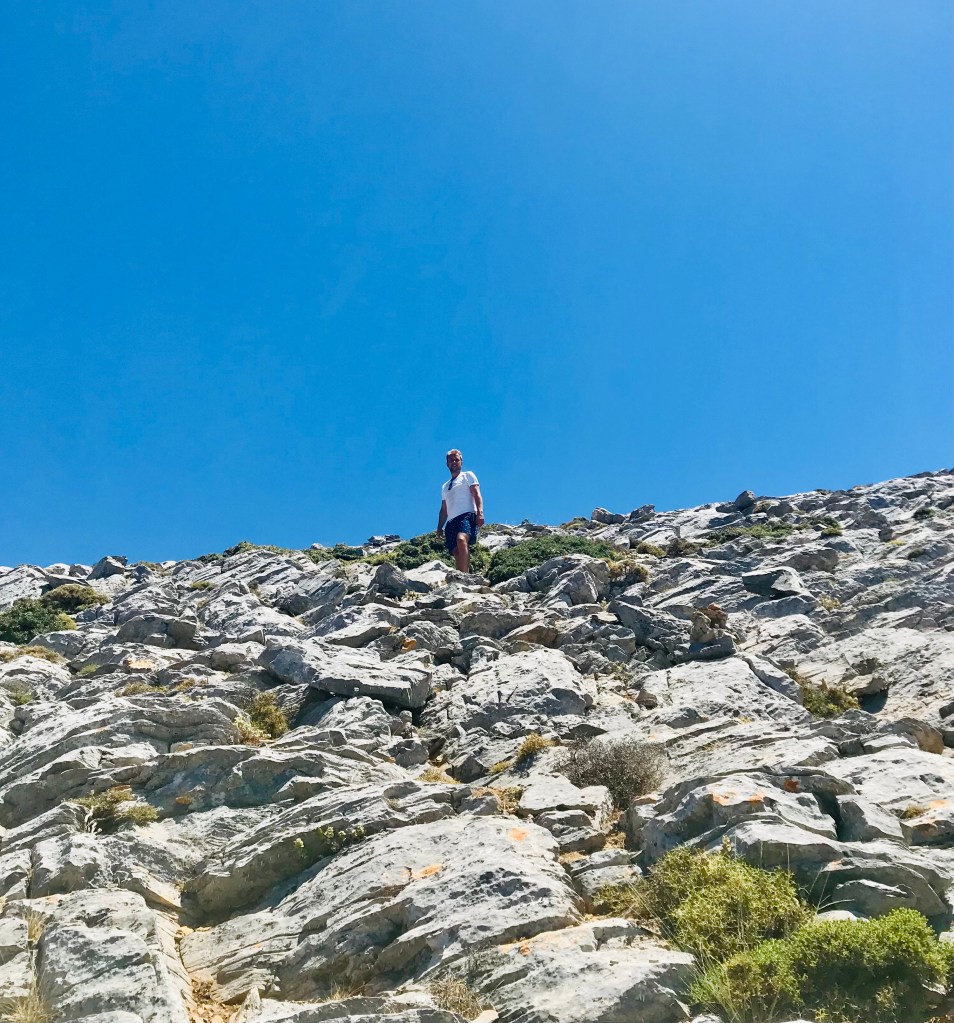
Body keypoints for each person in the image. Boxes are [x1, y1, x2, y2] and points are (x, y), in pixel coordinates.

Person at [436, 449, 484, 573]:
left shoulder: (468, 475)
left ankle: (466, 575)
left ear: (461, 462)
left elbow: (477, 494)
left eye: (456, 460)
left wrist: (480, 513)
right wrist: (439, 527)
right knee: (456, 552)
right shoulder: (445, 486)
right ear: (447, 464)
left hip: (467, 515)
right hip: (451, 521)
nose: (454, 462)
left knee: (461, 540)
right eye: (451, 460)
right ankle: (460, 576)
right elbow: (444, 509)